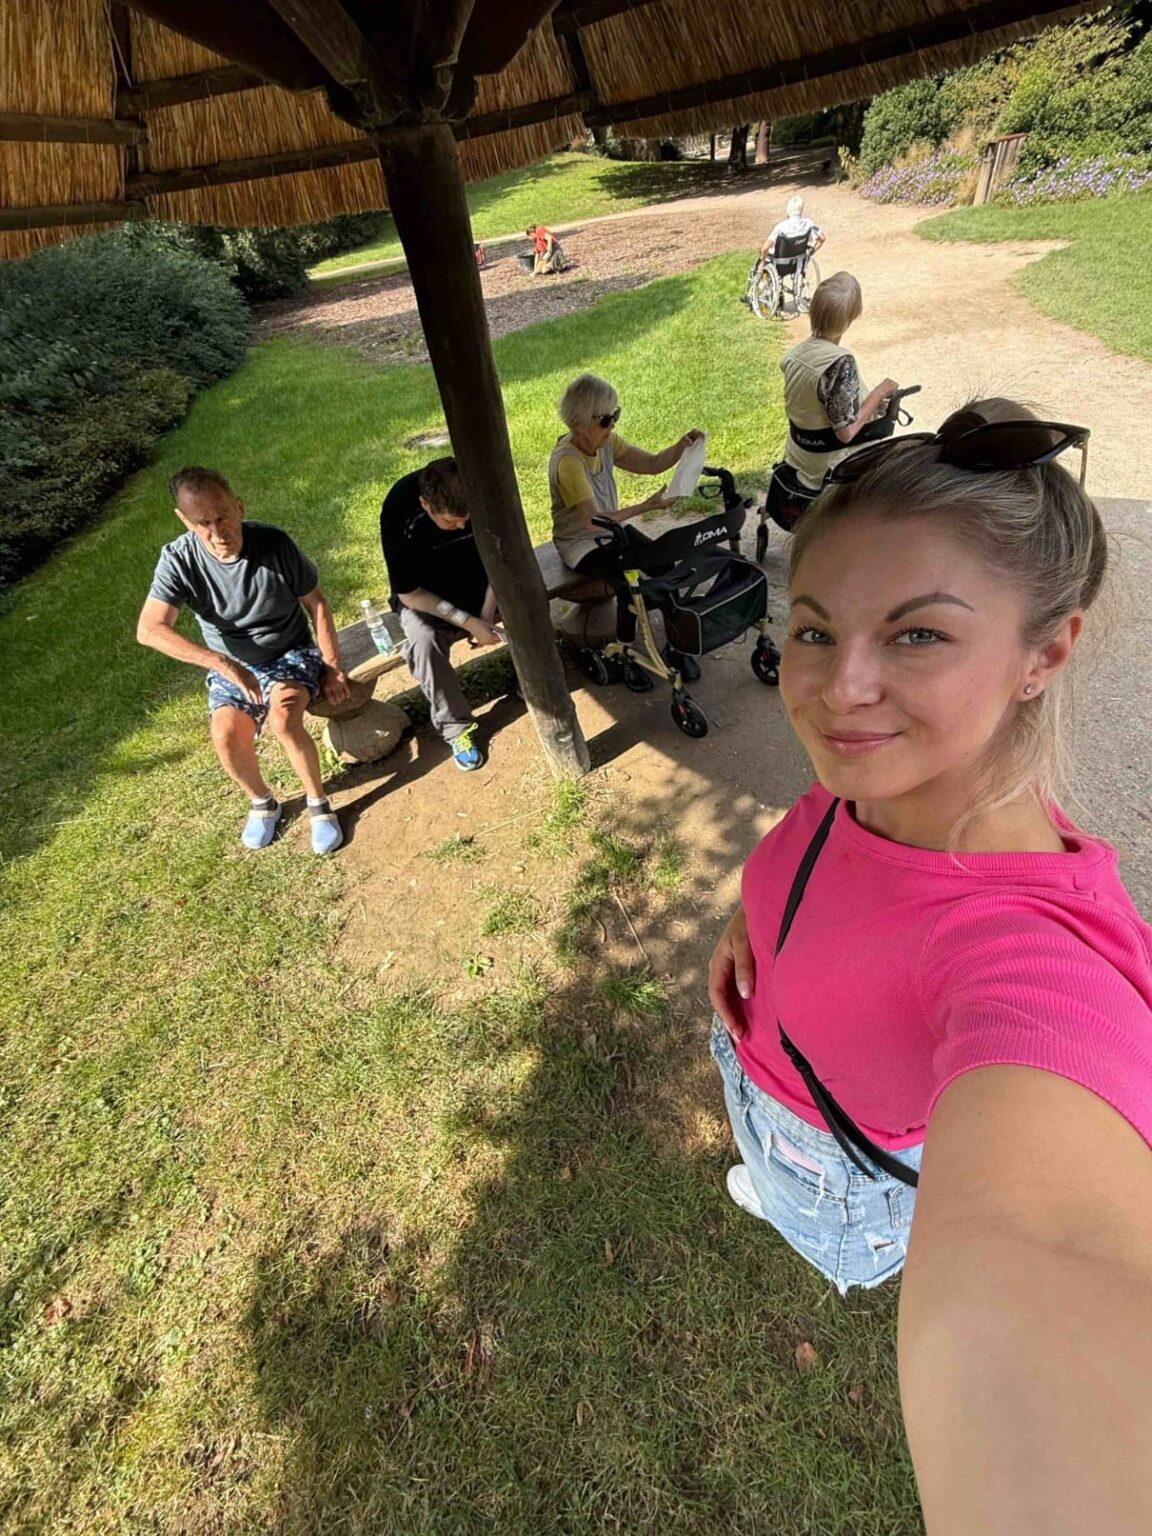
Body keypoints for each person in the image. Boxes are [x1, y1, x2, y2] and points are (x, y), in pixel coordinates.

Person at [707, 400, 1152, 1531]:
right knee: (761, 1162)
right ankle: (766, 1180)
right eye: (815, 630)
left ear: (1046, 652)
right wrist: (758, 918)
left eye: (917, 636)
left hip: (831, 1162)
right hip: (763, 1060)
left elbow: (1050, 1247)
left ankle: (801, 1217)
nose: (837, 687)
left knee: (797, 1203)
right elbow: (830, 842)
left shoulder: (1028, 950)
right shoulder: (889, 770)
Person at [137, 466, 347, 855]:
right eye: (202, 523)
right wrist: (222, 663)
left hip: (289, 652)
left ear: (239, 507)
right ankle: (263, 802)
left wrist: (332, 666)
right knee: (225, 735)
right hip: (231, 666)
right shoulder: (178, 559)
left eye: (223, 517)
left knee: (284, 720)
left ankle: (319, 803)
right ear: (184, 520)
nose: (217, 533)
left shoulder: (274, 543)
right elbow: (149, 629)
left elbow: (316, 603)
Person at [548, 372, 703, 684]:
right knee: (628, 586)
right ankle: (624, 652)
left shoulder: (605, 442)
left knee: (666, 566)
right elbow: (592, 522)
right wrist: (645, 506)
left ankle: (676, 646)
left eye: (614, 416)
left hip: (612, 531)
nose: (612, 426)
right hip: (581, 543)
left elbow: (651, 464)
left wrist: (681, 446)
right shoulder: (568, 462)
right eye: (606, 420)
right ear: (579, 424)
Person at [379, 457, 501, 771]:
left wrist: (485, 615)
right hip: (429, 597)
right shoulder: (399, 509)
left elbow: (503, 559)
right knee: (423, 640)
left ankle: (537, 680)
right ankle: (456, 728)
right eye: (450, 521)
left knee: (528, 597)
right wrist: (468, 622)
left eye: (466, 518)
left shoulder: (481, 489)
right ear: (425, 504)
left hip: (485, 584)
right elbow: (410, 593)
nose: (461, 526)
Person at [779, 270, 897, 494]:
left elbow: (818, 403)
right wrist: (878, 393)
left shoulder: (794, 356)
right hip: (830, 465)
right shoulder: (840, 362)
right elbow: (846, 433)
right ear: (851, 317)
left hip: (800, 456)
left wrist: (871, 404)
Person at [760, 193, 825, 262]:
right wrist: (811, 252)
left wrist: (763, 262)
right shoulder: (809, 224)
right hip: (800, 261)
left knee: (762, 249)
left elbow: (765, 248)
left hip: (781, 263)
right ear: (801, 210)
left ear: (788, 210)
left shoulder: (781, 227)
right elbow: (822, 238)